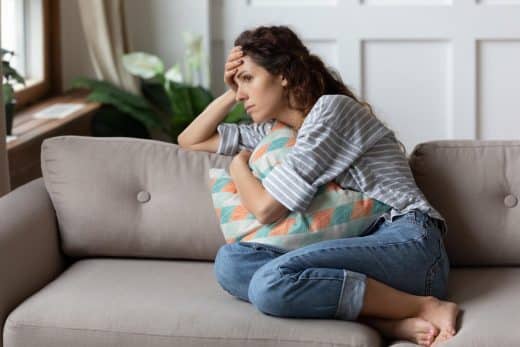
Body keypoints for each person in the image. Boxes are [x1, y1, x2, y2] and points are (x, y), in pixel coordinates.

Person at [177, 25, 459, 346]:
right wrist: (230, 91)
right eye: (238, 84)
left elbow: (266, 209)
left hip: (408, 244)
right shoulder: (276, 132)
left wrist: (237, 165)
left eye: (248, 79)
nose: (242, 95)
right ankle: (383, 320)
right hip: (359, 246)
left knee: (270, 284)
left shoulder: (330, 111)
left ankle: (424, 305)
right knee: (232, 263)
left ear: (282, 74)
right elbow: (190, 140)